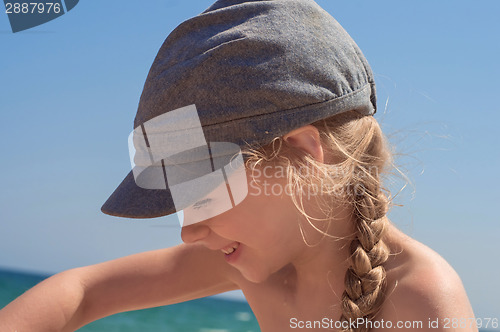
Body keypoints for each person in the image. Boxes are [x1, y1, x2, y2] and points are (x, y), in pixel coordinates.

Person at [0, 0, 476, 331]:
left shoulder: (422, 301)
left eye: (202, 191)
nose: (187, 231)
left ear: (305, 151)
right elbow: (82, 293)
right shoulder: (253, 263)